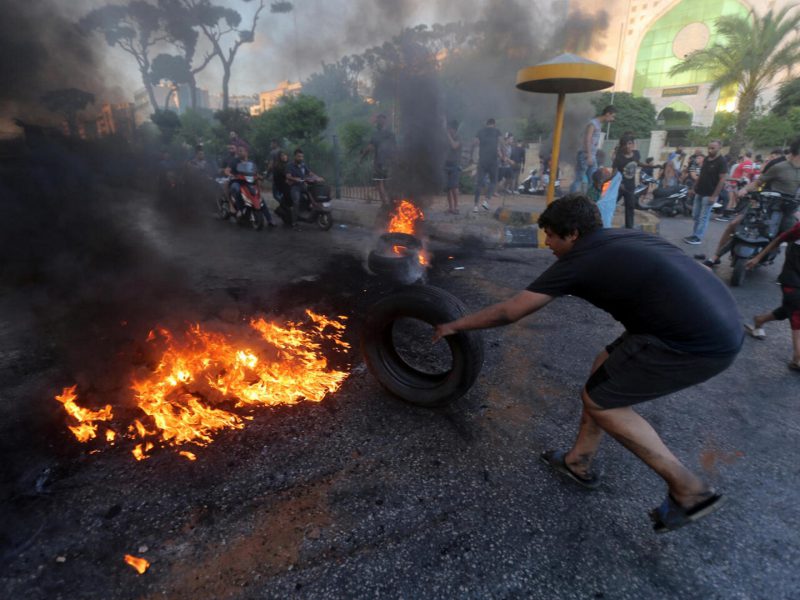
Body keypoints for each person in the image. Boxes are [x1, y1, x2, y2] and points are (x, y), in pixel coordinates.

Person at [434, 195, 741, 533]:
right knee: (603, 367)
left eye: (552, 235)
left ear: (574, 234)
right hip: (717, 321)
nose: (548, 243)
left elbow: (511, 311)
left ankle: (689, 490)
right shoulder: (623, 236)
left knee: (602, 403)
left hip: (692, 343)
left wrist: (455, 325)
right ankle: (578, 461)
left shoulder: (579, 261)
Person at [702, 137, 800, 267]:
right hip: (765, 205)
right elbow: (758, 182)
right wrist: (744, 189)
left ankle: (789, 270)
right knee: (735, 224)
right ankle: (716, 256)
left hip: (788, 210)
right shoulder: (779, 167)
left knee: (793, 236)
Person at [744, 220, 800, 371]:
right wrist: (757, 258)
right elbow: (779, 239)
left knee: (788, 309)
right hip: (793, 279)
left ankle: (760, 320)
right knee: (796, 310)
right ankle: (797, 358)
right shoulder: (798, 229)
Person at [683, 140, 727, 245]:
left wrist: (714, 196)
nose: (710, 150)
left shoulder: (722, 161)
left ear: (719, 148)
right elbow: (702, 174)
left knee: (704, 216)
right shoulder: (707, 159)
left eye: (713, 148)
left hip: (710, 194)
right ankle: (694, 234)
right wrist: (694, 187)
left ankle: (697, 237)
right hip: (700, 191)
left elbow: (722, 180)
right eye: (709, 148)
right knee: (695, 215)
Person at [570, 106, 617, 193]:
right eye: (613, 116)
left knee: (593, 179)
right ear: (607, 114)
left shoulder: (598, 124)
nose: (613, 119)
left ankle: (589, 198)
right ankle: (570, 198)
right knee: (579, 179)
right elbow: (587, 139)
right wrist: (589, 155)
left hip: (591, 155)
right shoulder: (593, 123)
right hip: (585, 155)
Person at [611, 136, 649, 228]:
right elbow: (614, 171)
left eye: (631, 143)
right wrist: (617, 183)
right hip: (619, 186)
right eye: (626, 144)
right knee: (611, 203)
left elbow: (638, 162)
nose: (629, 146)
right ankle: (605, 222)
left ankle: (629, 227)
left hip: (630, 186)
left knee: (630, 206)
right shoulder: (619, 156)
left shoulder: (636, 154)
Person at [360, 114, 395, 206]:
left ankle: (385, 204)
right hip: (388, 162)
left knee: (379, 183)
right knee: (387, 183)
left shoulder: (376, 135)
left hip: (379, 162)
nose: (377, 123)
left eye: (378, 121)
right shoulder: (391, 134)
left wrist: (361, 158)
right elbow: (394, 149)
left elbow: (369, 148)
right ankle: (391, 203)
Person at [286, 148, 324, 228]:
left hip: (303, 185)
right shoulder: (290, 165)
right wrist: (295, 179)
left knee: (314, 196)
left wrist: (317, 177)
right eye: (299, 156)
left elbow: (310, 173)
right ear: (295, 156)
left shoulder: (303, 165)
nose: (301, 158)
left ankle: (313, 214)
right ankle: (294, 222)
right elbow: (288, 176)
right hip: (295, 187)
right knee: (296, 202)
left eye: (302, 157)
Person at [471, 118, 502, 212]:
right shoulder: (497, 131)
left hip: (482, 160)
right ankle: (486, 201)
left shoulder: (480, 131)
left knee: (479, 183)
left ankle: (475, 206)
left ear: (486, 123)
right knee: (493, 181)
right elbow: (500, 143)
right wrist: (502, 154)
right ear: (494, 124)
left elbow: (475, 143)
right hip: (493, 161)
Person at [443, 120, 462, 214]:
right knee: (448, 188)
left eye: (449, 128)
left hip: (455, 165)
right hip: (446, 165)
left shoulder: (459, 137)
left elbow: (454, 146)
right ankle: (450, 207)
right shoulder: (446, 138)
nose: (448, 130)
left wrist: (448, 135)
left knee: (454, 187)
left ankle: (456, 207)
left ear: (453, 129)